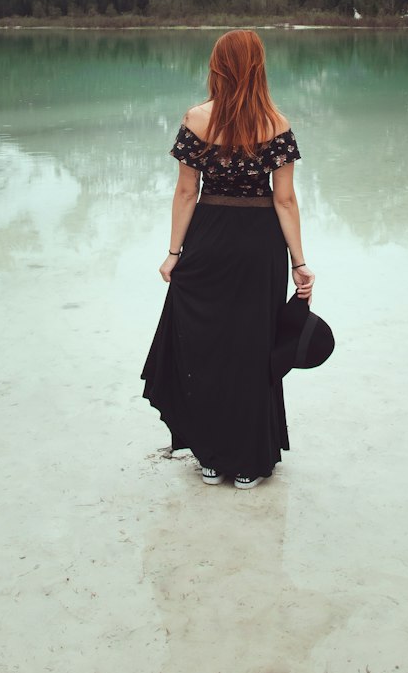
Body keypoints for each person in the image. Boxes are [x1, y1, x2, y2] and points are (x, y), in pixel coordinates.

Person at [141, 29, 314, 489]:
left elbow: (185, 191)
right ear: (258, 67)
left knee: (206, 345)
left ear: (218, 66)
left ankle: (211, 458)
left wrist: (174, 253)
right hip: (259, 246)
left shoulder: (197, 119)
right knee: (253, 347)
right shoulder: (276, 123)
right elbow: (285, 201)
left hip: (209, 240)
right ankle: (250, 462)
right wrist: (299, 263)